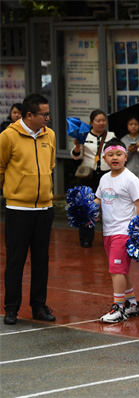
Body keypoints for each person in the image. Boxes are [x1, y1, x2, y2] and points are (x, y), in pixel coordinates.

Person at [1, 93, 56, 325]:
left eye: (48, 113)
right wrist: (12, 192)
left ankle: (39, 306)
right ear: (29, 115)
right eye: (44, 114)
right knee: (16, 260)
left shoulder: (49, 135)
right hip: (18, 209)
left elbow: (51, 165)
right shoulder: (7, 136)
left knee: (41, 260)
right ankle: (11, 308)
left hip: (45, 208)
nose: (48, 118)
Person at [94, 138, 139, 323]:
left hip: (124, 232)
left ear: (126, 156)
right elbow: (98, 200)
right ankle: (132, 304)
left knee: (116, 270)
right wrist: (85, 209)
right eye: (110, 155)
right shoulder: (104, 178)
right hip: (107, 231)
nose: (114, 158)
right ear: (104, 158)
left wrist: (138, 231)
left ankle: (118, 307)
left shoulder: (131, 179)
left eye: (118, 154)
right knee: (121, 270)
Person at [71, 109, 116, 247]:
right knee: (86, 207)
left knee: (110, 207)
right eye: (98, 120)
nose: (101, 123)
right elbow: (75, 156)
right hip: (88, 176)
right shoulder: (83, 135)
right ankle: (86, 238)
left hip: (107, 175)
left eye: (103, 120)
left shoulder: (111, 135)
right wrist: (77, 146)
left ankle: (111, 238)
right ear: (91, 123)